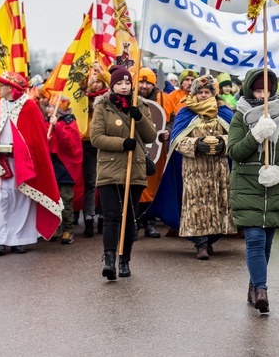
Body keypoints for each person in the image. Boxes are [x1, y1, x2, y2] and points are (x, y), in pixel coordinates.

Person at [227, 68, 279, 313]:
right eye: (258, 90)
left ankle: (253, 283)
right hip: (248, 186)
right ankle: (262, 290)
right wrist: (256, 134)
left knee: (267, 243)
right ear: (250, 90)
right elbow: (235, 152)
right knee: (255, 240)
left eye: (267, 90)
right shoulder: (240, 116)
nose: (263, 95)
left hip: (275, 188)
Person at [0, 71, 63, 256]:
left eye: (2, 86)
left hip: (23, 164)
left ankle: (18, 240)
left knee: (22, 199)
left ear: (11, 88)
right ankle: (0, 240)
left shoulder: (29, 107)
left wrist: (21, 149)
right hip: (1, 162)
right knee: (1, 199)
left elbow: (36, 140)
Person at [148, 74, 236, 260]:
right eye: (200, 92)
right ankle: (200, 243)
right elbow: (176, 141)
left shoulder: (225, 112)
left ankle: (211, 239)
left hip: (219, 171)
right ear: (194, 94)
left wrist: (222, 144)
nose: (204, 95)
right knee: (196, 207)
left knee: (218, 205)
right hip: (194, 171)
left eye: (207, 91)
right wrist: (196, 145)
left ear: (214, 93)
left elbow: (237, 138)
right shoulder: (185, 112)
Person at [90, 66, 156, 280]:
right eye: (119, 83)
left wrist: (141, 118)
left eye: (127, 83)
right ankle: (109, 260)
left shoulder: (141, 105)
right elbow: (96, 138)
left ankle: (124, 260)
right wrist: (122, 143)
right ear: (112, 85)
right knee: (111, 216)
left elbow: (150, 137)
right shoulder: (102, 106)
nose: (124, 86)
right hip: (109, 167)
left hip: (133, 168)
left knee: (129, 217)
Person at [136, 67, 173, 239]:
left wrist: (168, 131)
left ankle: (149, 223)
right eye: (141, 82)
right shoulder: (131, 100)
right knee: (136, 184)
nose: (144, 86)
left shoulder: (164, 100)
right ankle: (134, 223)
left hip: (156, 152)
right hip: (136, 148)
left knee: (153, 186)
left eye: (148, 83)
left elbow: (172, 121)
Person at [46, 95, 83, 245]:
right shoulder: (49, 123)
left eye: (50, 106)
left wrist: (57, 126)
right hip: (54, 166)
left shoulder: (69, 123)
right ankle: (56, 227)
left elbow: (68, 144)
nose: (47, 109)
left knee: (66, 200)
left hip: (66, 168)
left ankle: (68, 229)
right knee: (52, 200)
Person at [82, 65, 109, 236]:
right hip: (87, 143)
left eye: (100, 82)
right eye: (94, 82)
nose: (96, 85)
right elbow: (75, 89)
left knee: (104, 182)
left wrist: (102, 71)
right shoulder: (83, 99)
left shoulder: (108, 99)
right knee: (90, 183)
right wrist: (87, 80)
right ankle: (88, 219)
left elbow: (115, 84)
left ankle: (102, 217)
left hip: (104, 143)